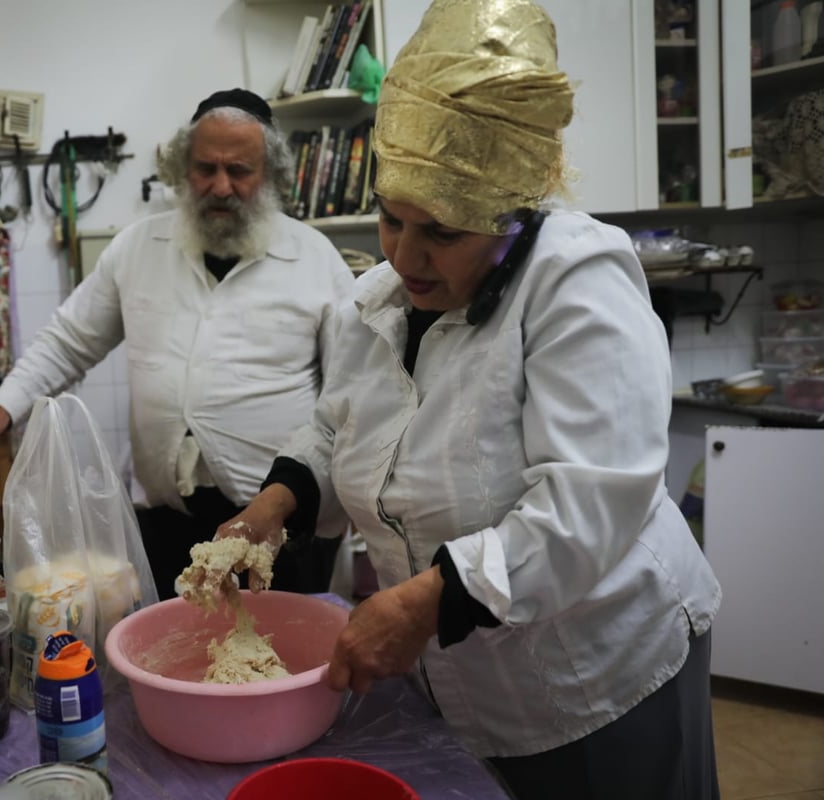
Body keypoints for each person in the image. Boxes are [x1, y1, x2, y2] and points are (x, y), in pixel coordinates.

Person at [217, 2, 722, 798]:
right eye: (390, 219)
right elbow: (335, 426)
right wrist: (276, 502)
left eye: (442, 233)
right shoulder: (382, 297)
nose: (405, 256)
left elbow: (590, 501)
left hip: (603, 674)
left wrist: (432, 597)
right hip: (469, 686)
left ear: (508, 219)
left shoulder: (576, 281)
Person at [0, 88, 355, 600]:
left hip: (281, 526)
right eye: (205, 168)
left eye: (239, 170)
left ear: (271, 174)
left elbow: (351, 393)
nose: (220, 186)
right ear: (180, 168)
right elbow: (69, 340)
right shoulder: (138, 248)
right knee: (180, 659)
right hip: (169, 523)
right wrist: (4, 403)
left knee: (279, 664)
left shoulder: (315, 258)